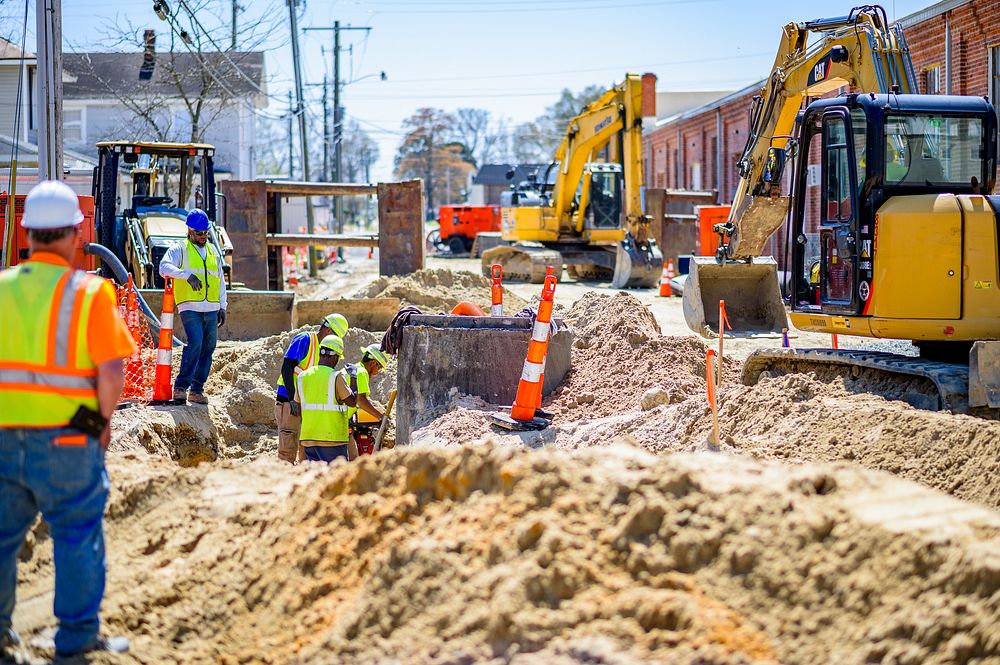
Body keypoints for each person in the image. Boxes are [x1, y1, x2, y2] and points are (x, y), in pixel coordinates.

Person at [0, 180, 136, 657]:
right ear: (78, 234)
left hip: (2, 436)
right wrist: (98, 428)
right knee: (77, 536)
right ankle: (76, 641)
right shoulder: (90, 292)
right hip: (69, 440)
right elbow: (112, 374)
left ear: (26, 232)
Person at [158, 208, 227, 405]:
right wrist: (186, 275)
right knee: (195, 342)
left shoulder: (213, 250)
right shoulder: (179, 249)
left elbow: (220, 280)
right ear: (189, 231)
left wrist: (223, 306)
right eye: (199, 233)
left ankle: (197, 389)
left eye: (206, 232)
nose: (203, 236)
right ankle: (181, 386)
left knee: (208, 347)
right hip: (190, 307)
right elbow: (164, 267)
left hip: (211, 309)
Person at [275, 313, 349, 464]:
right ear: (328, 331)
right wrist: (292, 399)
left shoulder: (322, 351)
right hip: (289, 400)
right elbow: (287, 367)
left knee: (305, 450)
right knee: (287, 447)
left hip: (305, 404)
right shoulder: (305, 339)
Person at [294, 335, 357, 464]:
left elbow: (297, 406)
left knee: (315, 477)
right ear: (335, 356)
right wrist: (354, 377)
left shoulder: (302, 376)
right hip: (332, 439)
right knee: (335, 479)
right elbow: (352, 402)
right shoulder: (336, 377)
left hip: (308, 438)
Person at [341, 343, 389, 460]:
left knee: (352, 457)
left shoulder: (353, 369)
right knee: (353, 460)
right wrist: (381, 417)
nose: (378, 372)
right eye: (379, 368)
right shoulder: (361, 372)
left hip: (339, 419)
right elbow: (361, 401)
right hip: (339, 422)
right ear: (373, 363)